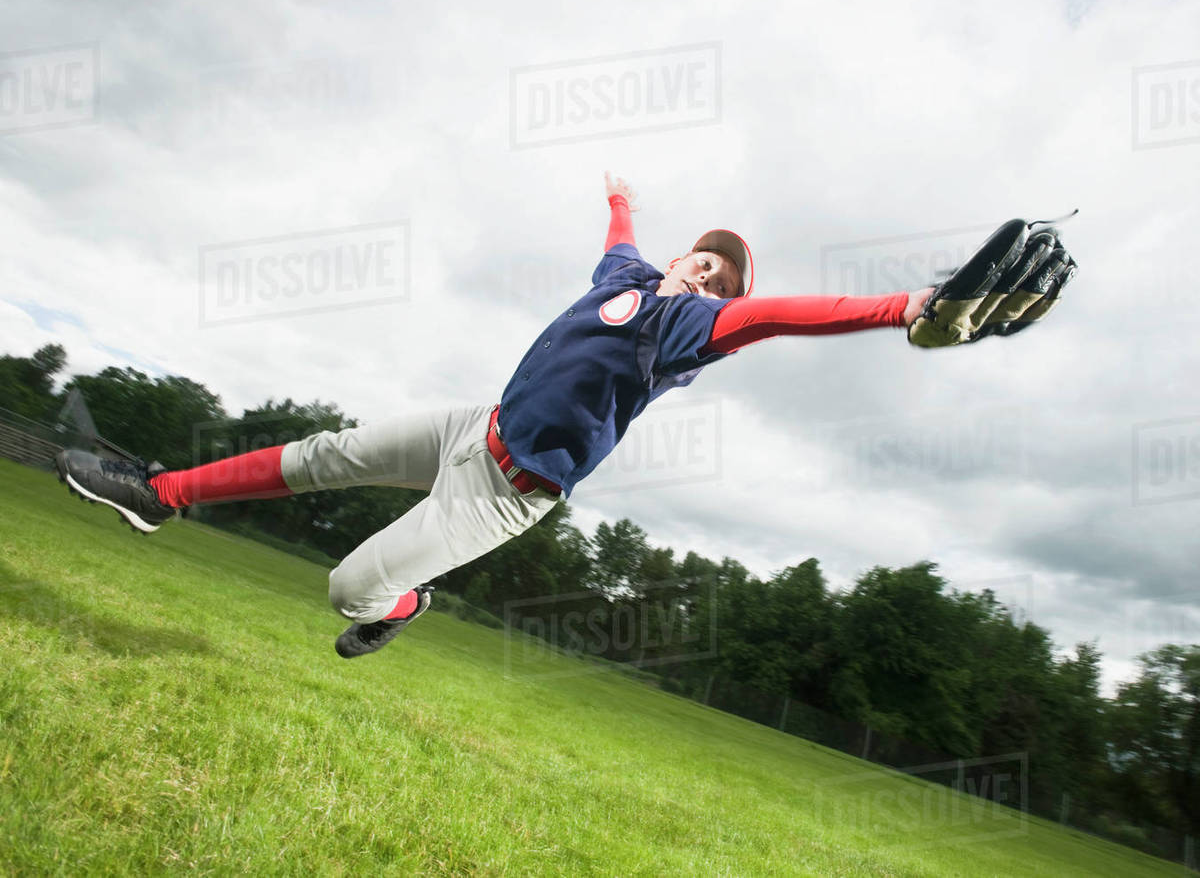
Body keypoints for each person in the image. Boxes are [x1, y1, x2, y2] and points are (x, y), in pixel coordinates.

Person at [55, 171, 935, 659]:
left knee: (347, 590)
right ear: (680, 254)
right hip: (474, 426)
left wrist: (903, 307)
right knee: (326, 453)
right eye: (704, 261)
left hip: (506, 492)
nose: (708, 276)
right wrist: (620, 197)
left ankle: (401, 608)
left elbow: (785, 314)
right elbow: (618, 237)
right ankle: (160, 493)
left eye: (722, 278)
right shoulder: (626, 281)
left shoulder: (686, 328)